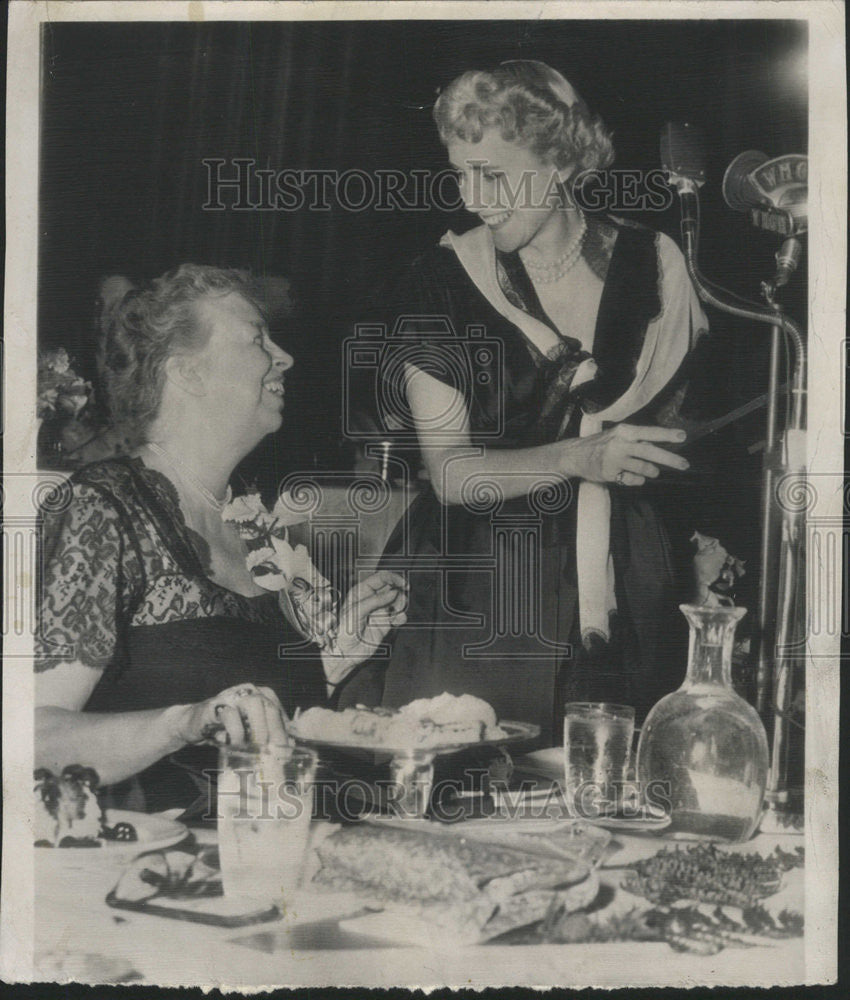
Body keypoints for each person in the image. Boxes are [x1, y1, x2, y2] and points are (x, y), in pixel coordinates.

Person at [340, 60, 707, 742]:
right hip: (480, 585)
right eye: (460, 174)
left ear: (563, 163)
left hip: (626, 577)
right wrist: (580, 456)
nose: (474, 198)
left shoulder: (657, 264)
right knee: (470, 788)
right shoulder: (441, 281)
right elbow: (450, 474)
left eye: (494, 174)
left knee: (609, 794)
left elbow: (680, 436)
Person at [35, 264, 407, 814]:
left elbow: (253, 718)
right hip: (161, 861)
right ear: (187, 373)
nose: (285, 358)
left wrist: (333, 661)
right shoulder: (104, 507)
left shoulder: (251, 519)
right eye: (257, 338)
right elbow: (31, 737)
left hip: (277, 836)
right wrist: (182, 723)